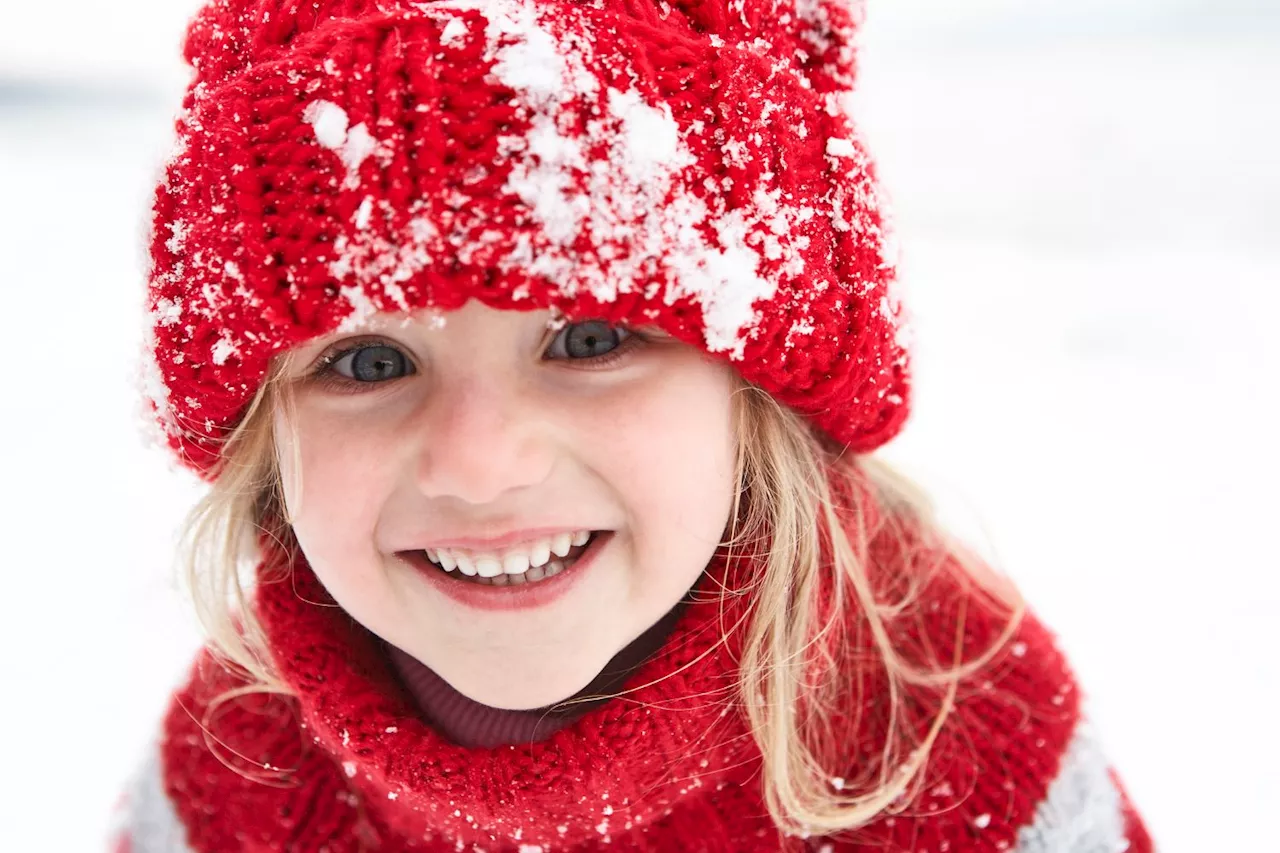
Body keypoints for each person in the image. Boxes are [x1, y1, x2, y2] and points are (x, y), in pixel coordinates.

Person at [113, 0, 1152, 850]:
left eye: (589, 342)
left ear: (758, 393)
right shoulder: (234, 764)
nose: (480, 465)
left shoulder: (957, 737)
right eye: (369, 362)